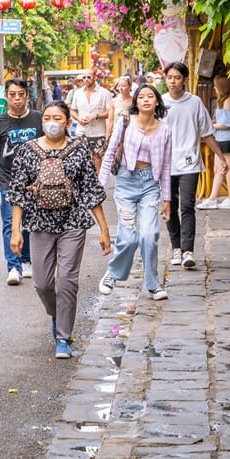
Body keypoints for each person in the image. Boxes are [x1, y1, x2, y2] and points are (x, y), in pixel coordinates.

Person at [7, 101, 111, 358]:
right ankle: (56, 313)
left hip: (73, 221)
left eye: (57, 117)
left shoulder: (79, 149)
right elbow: (18, 192)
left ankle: (63, 338)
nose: (51, 122)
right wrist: (16, 231)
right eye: (47, 117)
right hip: (40, 222)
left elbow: (91, 189)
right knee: (42, 283)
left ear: (67, 122)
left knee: (66, 281)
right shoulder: (26, 151)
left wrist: (104, 229)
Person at [97, 84, 172, 301]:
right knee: (128, 237)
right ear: (136, 102)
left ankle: (152, 284)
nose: (146, 100)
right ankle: (113, 274)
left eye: (150, 96)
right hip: (126, 182)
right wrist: (100, 187)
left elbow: (166, 166)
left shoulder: (165, 129)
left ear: (157, 101)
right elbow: (110, 152)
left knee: (149, 236)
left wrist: (167, 198)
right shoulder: (125, 122)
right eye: (142, 97)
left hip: (150, 184)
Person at [162, 61, 228, 269]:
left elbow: (207, 132)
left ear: (184, 80)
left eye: (177, 78)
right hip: (165, 164)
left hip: (190, 162)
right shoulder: (160, 103)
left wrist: (221, 156)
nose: (173, 81)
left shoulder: (195, 102)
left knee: (187, 206)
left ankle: (188, 250)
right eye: (169, 77)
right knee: (169, 206)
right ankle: (176, 248)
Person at [0, 79, 42, 285]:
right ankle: (13, 267)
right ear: (6, 97)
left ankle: (26, 260)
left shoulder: (38, 119)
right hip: (9, 181)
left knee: (29, 223)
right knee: (10, 223)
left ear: (27, 96)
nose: (17, 98)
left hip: (35, 182)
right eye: (12, 94)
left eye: (21, 94)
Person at [197, 76, 230, 210]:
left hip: (227, 139)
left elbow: (227, 124)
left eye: (216, 86)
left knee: (228, 169)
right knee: (219, 169)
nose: (214, 89)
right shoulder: (222, 101)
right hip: (221, 139)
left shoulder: (228, 101)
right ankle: (213, 199)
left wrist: (210, 125)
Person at [69, 69, 113, 174]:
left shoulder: (104, 93)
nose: (86, 79)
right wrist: (78, 118)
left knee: (97, 159)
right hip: (81, 131)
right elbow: (72, 110)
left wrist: (96, 116)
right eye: (84, 77)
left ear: (94, 78)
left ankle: (97, 183)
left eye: (89, 77)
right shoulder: (78, 93)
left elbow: (110, 112)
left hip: (98, 132)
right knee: (81, 158)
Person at [106, 75, 134, 143]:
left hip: (131, 135)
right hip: (117, 134)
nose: (121, 88)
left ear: (129, 87)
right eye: (119, 86)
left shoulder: (135, 101)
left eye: (123, 86)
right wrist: (107, 136)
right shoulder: (114, 102)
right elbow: (110, 121)